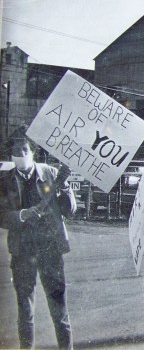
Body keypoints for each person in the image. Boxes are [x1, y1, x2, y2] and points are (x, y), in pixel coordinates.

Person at [0, 125, 76, 350]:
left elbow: (69, 210)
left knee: (59, 311)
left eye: (25, 149)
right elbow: (1, 215)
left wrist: (63, 190)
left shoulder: (52, 174)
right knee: (25, 312)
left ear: (32, 151)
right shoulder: (5, 181)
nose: (21, 154)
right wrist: (22, 215)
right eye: (16, 151)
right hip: (22, 253)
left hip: (50, 252)